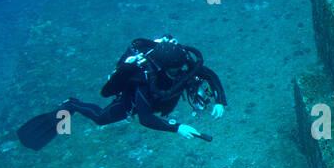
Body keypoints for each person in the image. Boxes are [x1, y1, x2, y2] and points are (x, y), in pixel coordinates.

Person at [17, 36, 225, 150]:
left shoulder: (181, 61)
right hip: (134, 100)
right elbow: (145, 118)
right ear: (162, 68)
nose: (181, 73)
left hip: (163, 98)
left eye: (181, 69)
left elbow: (207, 74)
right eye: (175, 71)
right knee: (100, 119)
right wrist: (177, 128)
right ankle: (72, 105)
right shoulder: (144, 80)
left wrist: (219, 101)